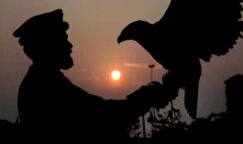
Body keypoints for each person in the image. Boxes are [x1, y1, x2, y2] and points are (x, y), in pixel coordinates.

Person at [13, 9, 179, 140]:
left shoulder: (45, 82)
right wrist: (146, 98)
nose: (70, 45)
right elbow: (103, 116)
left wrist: (145, 97)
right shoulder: (45, 87)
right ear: (47, 45)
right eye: (63, 39)